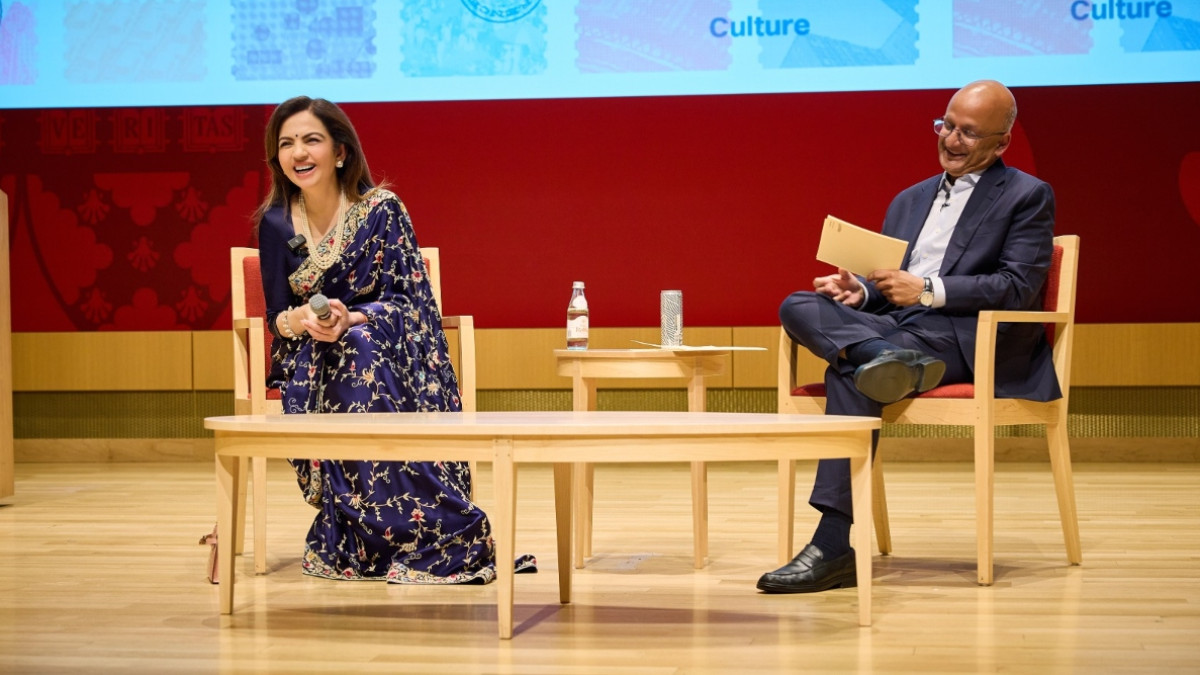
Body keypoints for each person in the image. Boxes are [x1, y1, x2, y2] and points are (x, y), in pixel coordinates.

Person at [757, 80, 1059, 594]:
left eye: (969, 133)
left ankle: (831, 545)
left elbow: (1018, 286)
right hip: (901, 333)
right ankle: (882, 357)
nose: (952, 140)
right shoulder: (909, 199)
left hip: (964, 338)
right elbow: (890, 287)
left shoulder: (1026, 195)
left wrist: (929, 290)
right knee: (798, 304)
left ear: (1001, 144)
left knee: (848, 370)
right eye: (947, 125)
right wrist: (860, 293)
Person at [255, 96, 533, 584]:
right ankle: (405, 530)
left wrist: (354, 318)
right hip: (311, 359)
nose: (298, 152)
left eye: (311, 140)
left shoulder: (381, 211)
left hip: (389, 352)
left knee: (359, 346)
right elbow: (275, 318)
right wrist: (303, 320)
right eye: (287, 143)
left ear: (340, 151)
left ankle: (422, 529)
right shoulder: (276, 223)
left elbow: (411, 303)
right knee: (349, 350)